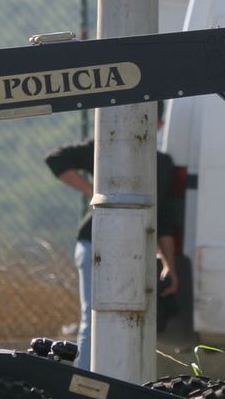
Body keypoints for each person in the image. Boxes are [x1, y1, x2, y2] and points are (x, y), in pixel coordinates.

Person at [45, 102, 180, 368]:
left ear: (159, 126)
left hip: (135, 248)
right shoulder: (106, 150)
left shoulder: (162, 165)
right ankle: (84, 385)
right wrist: (97, 193)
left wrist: (169, 266)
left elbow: (164, 220)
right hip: (94, 240)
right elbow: (56, 160)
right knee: (92, 317)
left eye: (146, 120)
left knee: (130, 317)